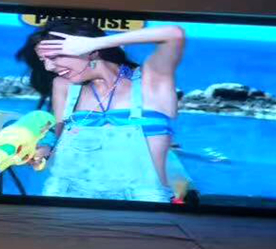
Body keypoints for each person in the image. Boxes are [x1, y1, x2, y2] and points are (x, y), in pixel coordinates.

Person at [16, 19, 186, 203]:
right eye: (44, 60)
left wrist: (94, 43)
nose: (49, 67)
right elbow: (59, 137)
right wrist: (44, 149)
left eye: (55, 57)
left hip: (142, 204)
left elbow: (174, 35)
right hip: (65, 197)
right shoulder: (64, 86)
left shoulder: (152, 81)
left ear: (90, 50)